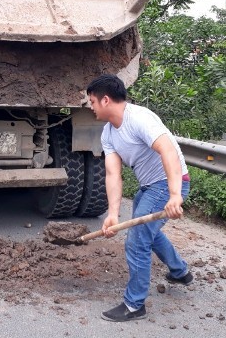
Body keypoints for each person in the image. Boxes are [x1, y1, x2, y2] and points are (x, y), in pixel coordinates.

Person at [85, 74, 192, 322]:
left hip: (167, 184)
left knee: (137, 241)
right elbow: (113, 174)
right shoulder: (108, 133)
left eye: (92, 101)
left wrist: (175, 194)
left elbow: (168, 150)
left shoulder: (139, 118)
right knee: (149, 233)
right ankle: (179, 271)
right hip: (149, 186)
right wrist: (112, 214)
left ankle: (134, 305)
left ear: (105, 100)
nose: (90, 107)